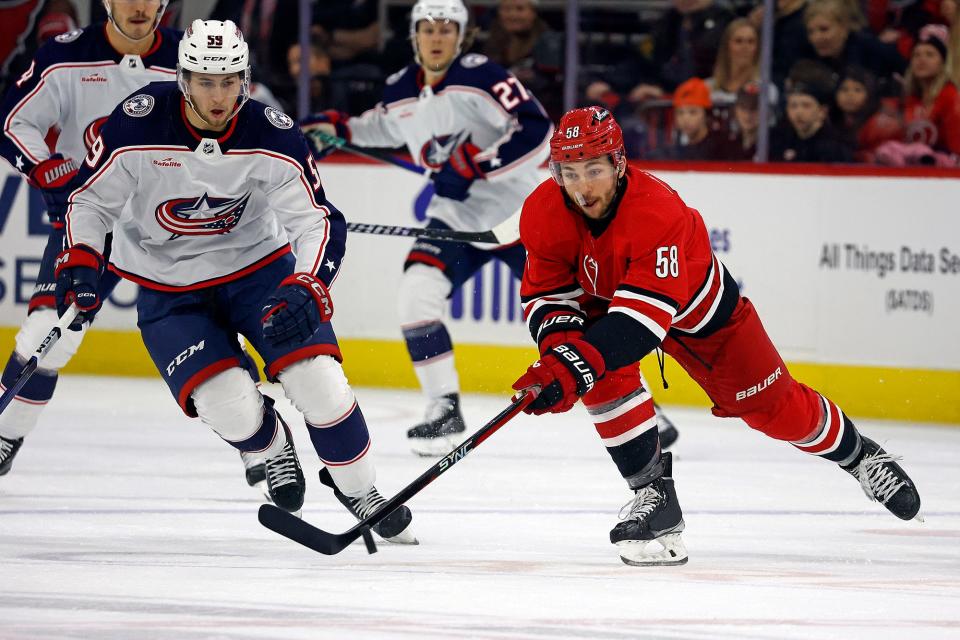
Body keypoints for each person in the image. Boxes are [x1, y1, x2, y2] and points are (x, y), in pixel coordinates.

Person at [53, 19, 416, 544]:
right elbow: (89, 202)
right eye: (205, 81)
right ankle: (269, 446)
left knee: (319, 381)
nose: (218, 95)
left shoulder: (271, 130)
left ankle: (359, 489)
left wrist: (309, 284)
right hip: (168, 286)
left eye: (228, 81)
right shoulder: (136, 124)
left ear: (244, 79)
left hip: (259, 273)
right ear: (183, 79)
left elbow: (318, 220)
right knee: (225, 401)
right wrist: (82, 261)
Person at [511, 106, 921, 566]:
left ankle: (861, 457)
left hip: (704, 317)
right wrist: (557, 356)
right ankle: (655, 499)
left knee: (775, 409)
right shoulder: (544, 209)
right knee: (593, 369)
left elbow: (640, 325)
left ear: (618, 165)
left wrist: (572, 366)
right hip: (608, 301)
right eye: (569, 172)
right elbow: (547, 296)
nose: (582, 188)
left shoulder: (657, 212)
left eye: (593, 170)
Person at [302, 0, 553, 456]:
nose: (436, 37)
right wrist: (339, 128)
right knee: (416, 295)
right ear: (414, 36)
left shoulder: (483, 75)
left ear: (461, 36)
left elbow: (538, 132)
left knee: (568, 313)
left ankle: (643, 408)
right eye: (427, 29)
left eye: (445, 29)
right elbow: (381, 125)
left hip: (519, 215)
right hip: (456, 217)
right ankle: (443, 407)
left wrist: (476, 165)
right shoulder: (400, 86)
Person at [0, 0, 180, 478]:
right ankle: (5, 436)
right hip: (89, 222)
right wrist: (42, 167)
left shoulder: (193, 62)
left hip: (177, 229)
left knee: (225, 332)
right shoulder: (65, 56)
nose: (140, 6)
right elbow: (13, 121)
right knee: (47, 334)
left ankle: (266, 449)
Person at [771, 81, 854, 162]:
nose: (798, 112)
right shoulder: (779, 140)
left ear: (822, 111)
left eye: (806, 105)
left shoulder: (836, 146)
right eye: (793, 106)